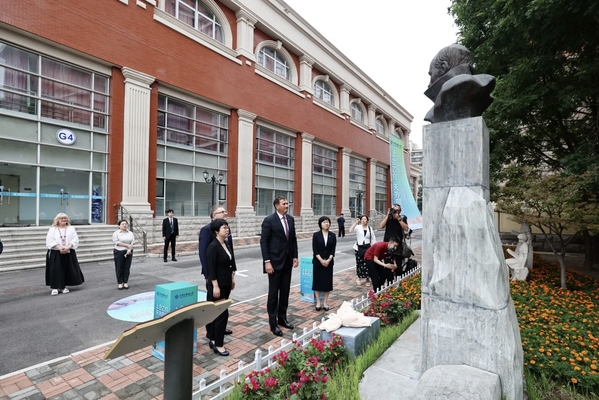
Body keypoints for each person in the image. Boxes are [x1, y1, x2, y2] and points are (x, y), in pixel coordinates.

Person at [424, 44, 495, 123]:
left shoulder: (450, 89)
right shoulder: (481, 89)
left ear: (443, 67)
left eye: (431, 74)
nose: (429, 84)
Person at [260, 196, 298, 337]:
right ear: (277, 206)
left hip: (287, 262)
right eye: (284, 203)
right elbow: (264, 242)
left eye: (287, 203)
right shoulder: (269, 220)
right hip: (274, 263)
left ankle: (282, 318)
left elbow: (293, 239)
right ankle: (273, 323)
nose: (287, 205)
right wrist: (267, 262)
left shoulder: (291, 219)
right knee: (273, 294)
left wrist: (295, 256)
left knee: (285, 292)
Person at [199, 205, 234, 336]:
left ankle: (220, 328)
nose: (225, 213)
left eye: (225, 211)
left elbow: (230, 251)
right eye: (222, 212)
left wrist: (233, 270)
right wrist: (209, 277)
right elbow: (203, 255)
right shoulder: (206, 230)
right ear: (214, 215)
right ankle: (211, 331)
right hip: (213, 276)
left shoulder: (226, 229)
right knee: (213, 304)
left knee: (223, 304)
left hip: (225, 275)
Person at [206, 219, 236, 356]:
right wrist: (215, 286)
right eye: (224, 227)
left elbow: (230, 264)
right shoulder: (213, 247)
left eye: (227, 227)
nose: (227, 229)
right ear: (216, 231)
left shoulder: (226, 244)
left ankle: (213, 339)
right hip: (217, 286)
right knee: (222, 314)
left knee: (218, 314)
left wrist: (232, 279)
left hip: (226, 283)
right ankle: (219, 345)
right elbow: (211, 269)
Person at [45, 213, 84, 296]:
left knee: (66, 269)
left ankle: (63, 287)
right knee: (56, 270)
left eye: (65, 218)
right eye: (61, 218)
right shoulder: (52, 229)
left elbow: (75, 239)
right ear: (57, 220)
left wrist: (68, 247)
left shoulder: (71, 228)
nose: (64, 220)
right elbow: (50, 240)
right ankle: (55, 287)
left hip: (68, 251)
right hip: (56, 252)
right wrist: (59, 248)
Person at [312, 216, 336, 311]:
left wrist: (329, 260)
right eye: (324, 222)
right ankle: (318, 302)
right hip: (318, 262)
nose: (326, 224)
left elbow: (333, 250)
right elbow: (315, 249)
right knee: (317, 282)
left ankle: (325, 302)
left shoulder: (332, 235)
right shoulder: (316, 235)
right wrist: (321, 260)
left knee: (327, 283)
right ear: (320, 224)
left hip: (329, 263)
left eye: (328, 222)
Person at [350, 215, 376, 286]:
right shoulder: (358, 227)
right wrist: (356, 223)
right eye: (362, 219)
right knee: (359, 263)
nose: (364, 221)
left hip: (367, 248)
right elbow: (350, 230)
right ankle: (359, 278)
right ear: (360, 220)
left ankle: (367, 279)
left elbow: (373, 238)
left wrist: (373, 248)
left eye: (365, 219)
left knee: (367, 263)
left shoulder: (370, 228)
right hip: (358, 248)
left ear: (367, 221)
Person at [112, 220, 135, 290]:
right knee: (119, 267)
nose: (124, 225)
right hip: (119, 251)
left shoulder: (130, 233)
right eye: (122, 224)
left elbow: (133, 242)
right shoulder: (116, 233)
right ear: (119, 226)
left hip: (129, 251)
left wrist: (129, 249)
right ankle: (120, 282)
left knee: (127, 267)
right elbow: (117, 242)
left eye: (126, 224)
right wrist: (127, 245)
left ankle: (125, 282)